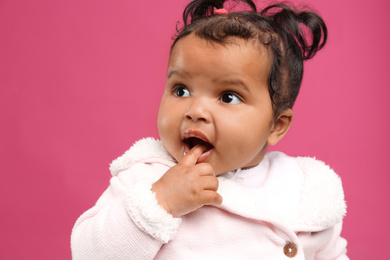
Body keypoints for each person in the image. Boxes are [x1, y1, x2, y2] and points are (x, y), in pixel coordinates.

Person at [71, 0, 348, 259]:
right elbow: (88, 253)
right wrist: (160, 203)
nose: (195, 110)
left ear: (276, 126)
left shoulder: (304, 188)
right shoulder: (148, 176)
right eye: (181, 90)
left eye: (228, 96)